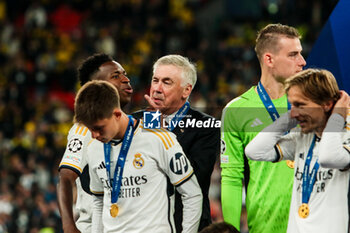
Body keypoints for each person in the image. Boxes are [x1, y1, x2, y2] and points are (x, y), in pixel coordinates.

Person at [74, 80, 203, 232]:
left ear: (116, 114)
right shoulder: (93, 148)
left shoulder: (158, 138)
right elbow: (99, 201)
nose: (94, 135)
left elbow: (192, 194)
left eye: (99, 128)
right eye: (90, 129)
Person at [220, 23, 306, 232]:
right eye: (293, 55)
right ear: (269, 59)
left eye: (300, 54)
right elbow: (232, 177)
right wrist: (230, 229)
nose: (302, 62)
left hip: (313, 222)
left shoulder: (315, 103)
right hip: (265, 225)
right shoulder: (236, 110)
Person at [245, 68, 350, 233]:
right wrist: (289, 118)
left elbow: (329, 157)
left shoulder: (346, 133)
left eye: (300, 105)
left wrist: (338, 116)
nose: (293, 113)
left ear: (327, 104)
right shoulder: (302, 136)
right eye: (291, 104)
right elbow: (254, 151)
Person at [134, 54, 220, 232]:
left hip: (186, 224)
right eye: (155, 80)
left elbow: (193, 177)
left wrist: (158, 128)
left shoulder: (206, 126)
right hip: (140, 224)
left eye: (166, 82)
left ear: (186, 90)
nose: (157, 88)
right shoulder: (132, 122)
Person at [57, 53, 133, 233]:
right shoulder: (85, 129)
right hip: (94, 227)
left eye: (124, 73)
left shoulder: (131, 126)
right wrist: (69, 226)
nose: (126, 79)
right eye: (116, 76)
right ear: (96, 86)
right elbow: (66, 178)